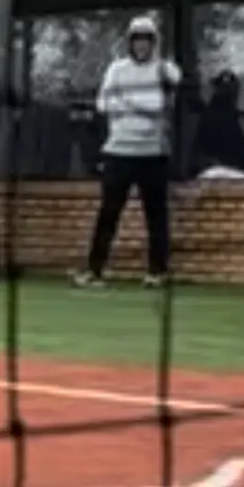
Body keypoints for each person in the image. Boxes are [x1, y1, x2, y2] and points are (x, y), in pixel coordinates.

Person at [73, 15, 180, 289]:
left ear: (153, 43)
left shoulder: (163, 70)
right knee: (109, 212)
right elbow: (103, 104)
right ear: (130, 43)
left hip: (153, 152)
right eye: (137, 40)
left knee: (156, 214)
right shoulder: (117, 69)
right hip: (118, 151)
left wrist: (127, 101)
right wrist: (137, 104)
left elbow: (158, 104)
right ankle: (95, 270)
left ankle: (157, 271)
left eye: (146, 40)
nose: (141, 45)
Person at [192, 69, 244, 180]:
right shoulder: (214, 115)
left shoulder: (229, 115)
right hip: (216, 170)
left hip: (230, 170)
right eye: (224, 88)